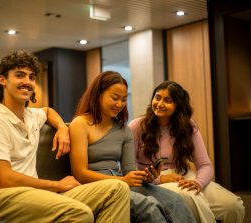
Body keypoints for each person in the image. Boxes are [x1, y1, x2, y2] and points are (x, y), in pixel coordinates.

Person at [0, 50, 130, 223]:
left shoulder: (30, 116)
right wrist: (57, 185)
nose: (27, 82)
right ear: (2, 80)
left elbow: (47, 111)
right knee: (79, 213)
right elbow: (4, 179)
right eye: (19, 75)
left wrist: (62, 127)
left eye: (31, 77)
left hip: (30, 193)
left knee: (118, 188)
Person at [69, 71, 196, 223]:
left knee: (175, 200)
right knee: (150, 207)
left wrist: (147, 177)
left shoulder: (124, 130)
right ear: (98, 94)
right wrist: (123, 180)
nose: (120, 104)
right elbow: (80, 173)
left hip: (120, 182)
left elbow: (129, 172)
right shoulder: (80, 124)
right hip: (94, 186)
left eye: (123, 100)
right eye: (115, 98)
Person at [128, 80, 245, 223]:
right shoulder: (137, 126)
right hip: (150, 181)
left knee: (233, 205)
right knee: (194, 199)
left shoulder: (188, 126)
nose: (159, 104)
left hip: (182, 175)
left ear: (178, 106)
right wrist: (159, 179)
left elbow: (205, 165)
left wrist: (198, 182)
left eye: (167, 100)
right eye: (157, 97)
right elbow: (128, 169)